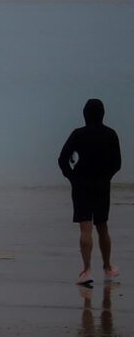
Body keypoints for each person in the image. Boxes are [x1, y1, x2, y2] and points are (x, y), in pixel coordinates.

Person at [59, 98, 121, 284]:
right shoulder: (111, 134)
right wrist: (106, 176)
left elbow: (63, 159)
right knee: (102, 227)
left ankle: (86, 271)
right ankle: (108, 267)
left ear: (85, 115)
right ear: (103, 114)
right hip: (102, 185)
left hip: (81, 184)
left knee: (85, 227)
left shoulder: (78, 134)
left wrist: (72, 177)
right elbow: (117, 163)